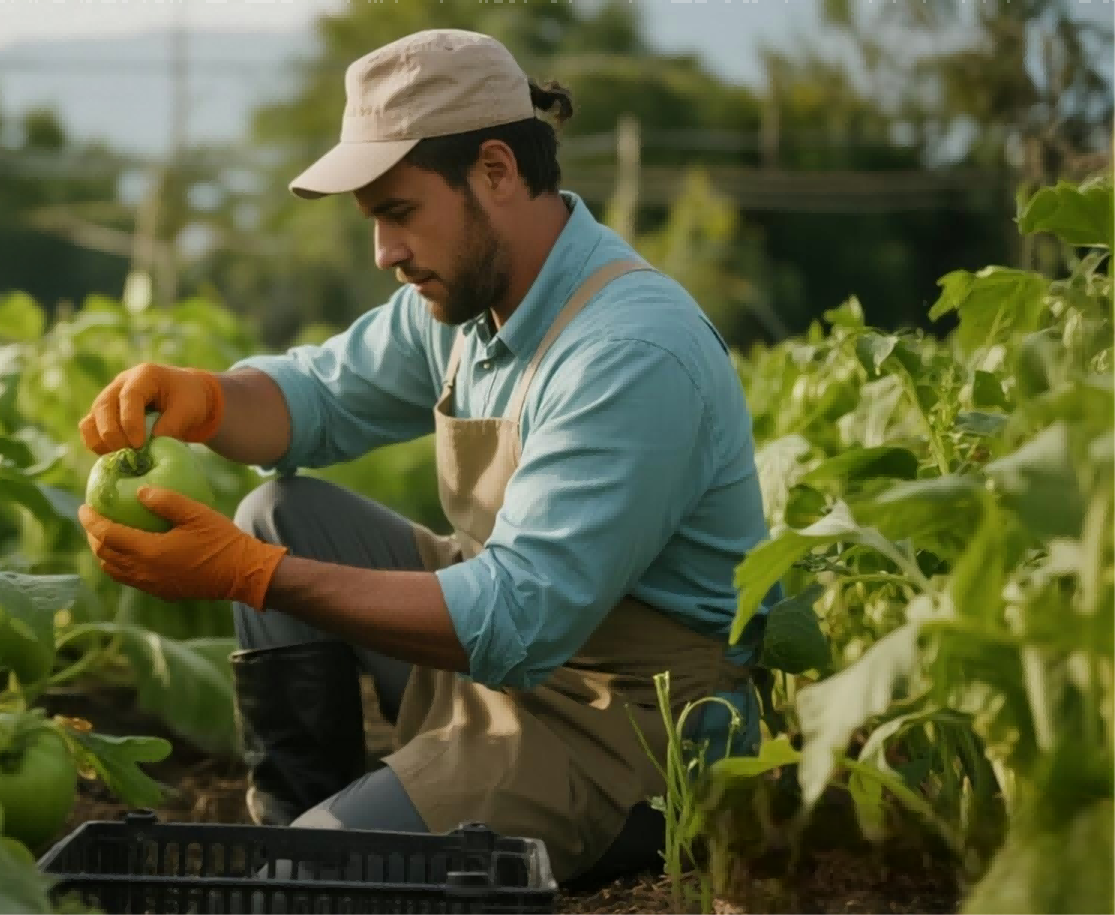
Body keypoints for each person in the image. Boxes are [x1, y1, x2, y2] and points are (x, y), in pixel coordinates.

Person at [75, 28, 769, 886]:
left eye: (399, 213)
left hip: (626, 734)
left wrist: (249, 576)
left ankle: (314, 866)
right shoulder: (471, 302)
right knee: (279, 514)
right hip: (504, 673)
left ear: (495, 171)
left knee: (300, 878)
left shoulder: (628, 352)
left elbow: (518, 619)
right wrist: (208, 399)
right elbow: (316, 398)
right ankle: (302, 832)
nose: (385, 252)